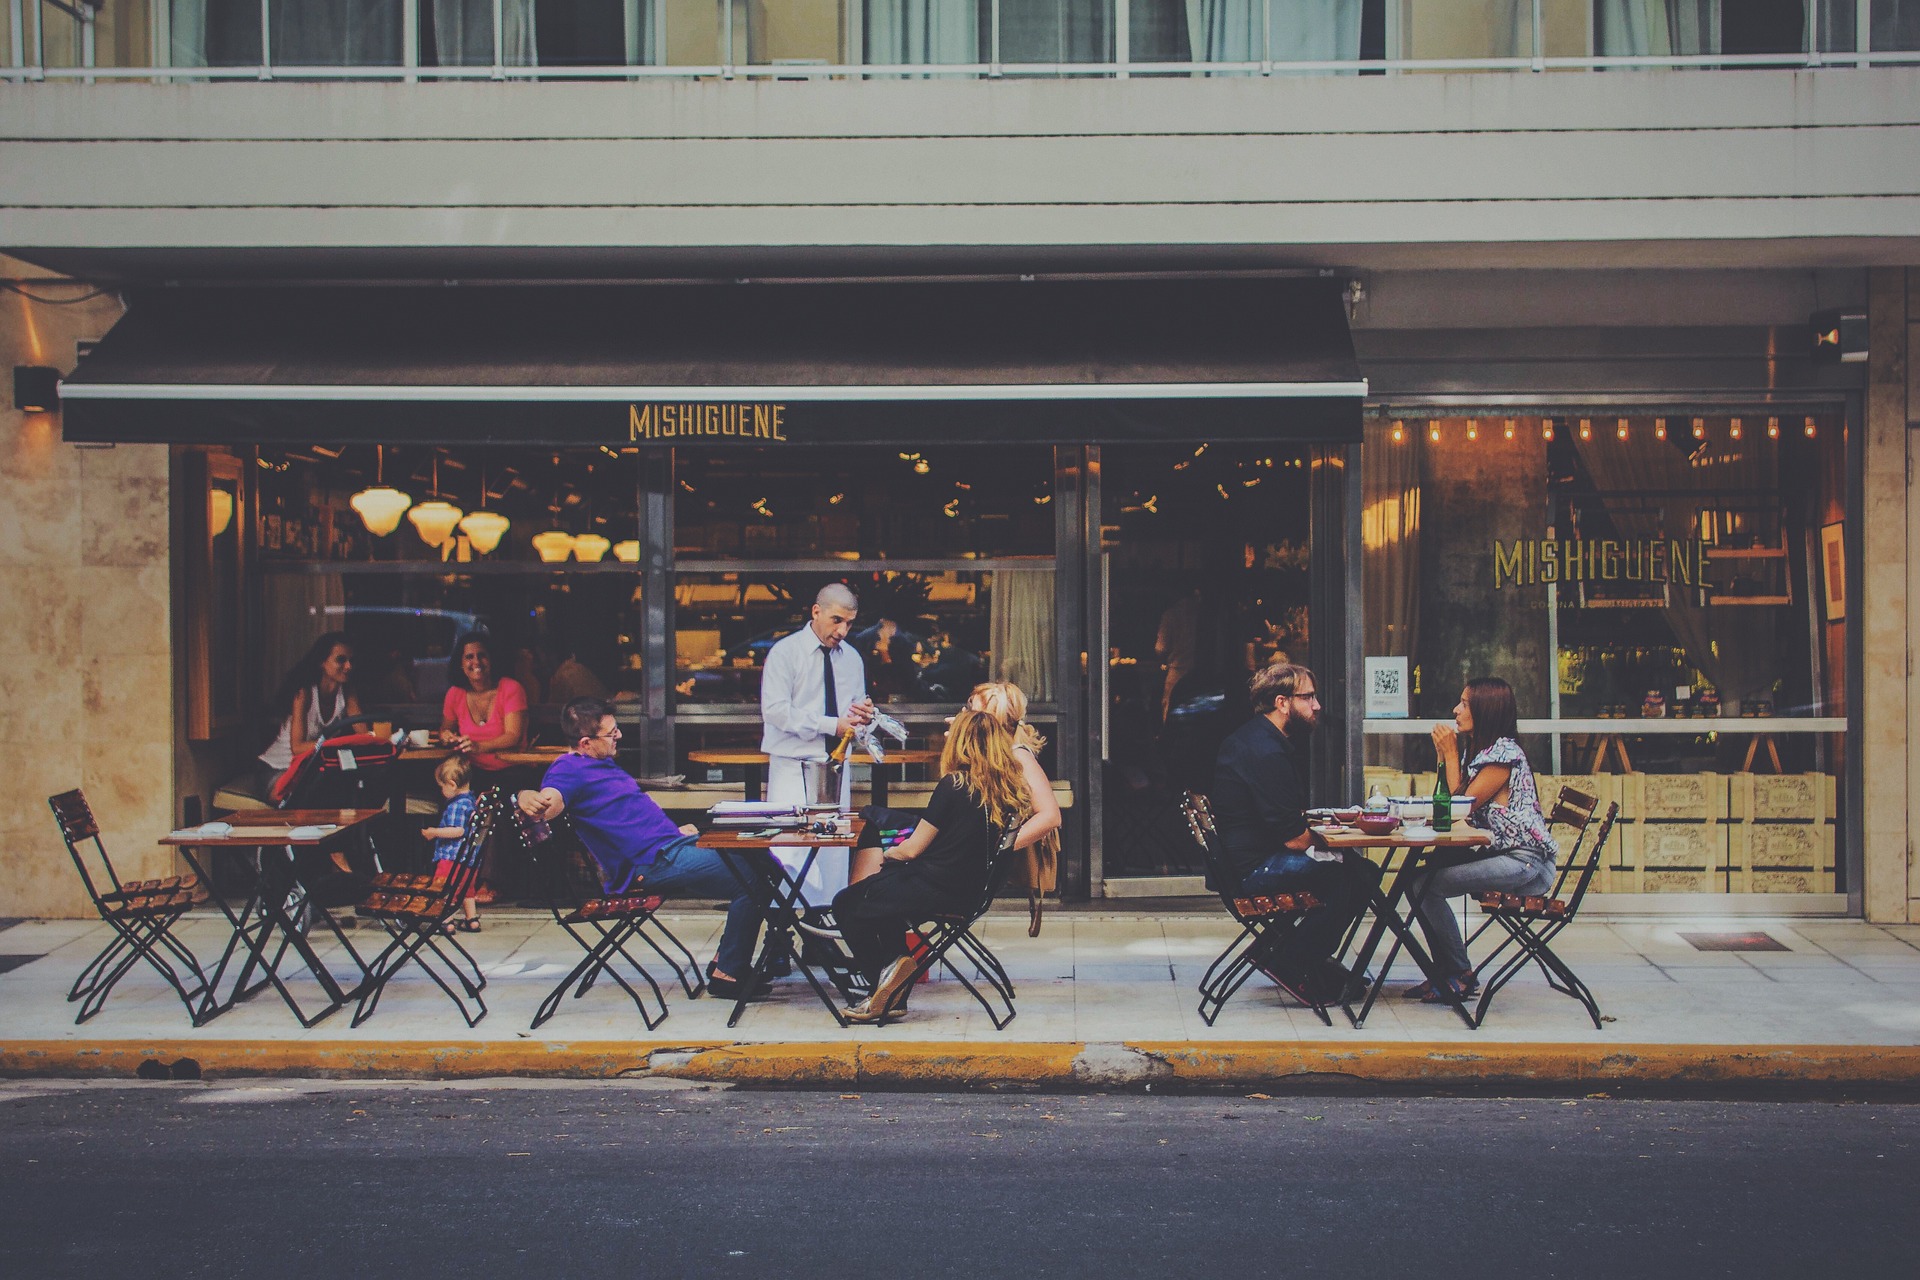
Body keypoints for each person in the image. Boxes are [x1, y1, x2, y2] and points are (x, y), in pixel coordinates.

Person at [519, 697, 770, 999]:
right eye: (611, 734)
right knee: (754, 878)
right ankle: (728, 973)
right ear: (585, 742)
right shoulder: (568, 770)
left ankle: (726, 961)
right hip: (651, 864)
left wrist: (674, 831)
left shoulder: (602, 763)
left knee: (764, 860)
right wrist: (527, 797)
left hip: (671, 845)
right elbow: (550, 801)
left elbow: (629, 815)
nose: (619, 736)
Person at [829, 708, 1060, 1024]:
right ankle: (893, 987)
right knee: (882, 899)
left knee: (847, 902)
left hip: (935, 889)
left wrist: (887, 854)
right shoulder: (1008, 790)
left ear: (962, 743)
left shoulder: (954, 785)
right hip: (970, 892)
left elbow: (913, 849)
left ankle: (883, 981)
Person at [1210, 663, 1381, 1005]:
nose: (1317, 705)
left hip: (1243, 863)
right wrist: (1337, 837)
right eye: (1308, 697)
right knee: (1353, 877)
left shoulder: (1259, 739)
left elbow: (1286, 821)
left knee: (1357, 871)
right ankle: (1293, 961)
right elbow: (1294, 839)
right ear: (1282, 702)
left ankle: (1298, 955)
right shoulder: (1265, 751)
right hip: (1254, 870)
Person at [1406, 676, 1559, 1004]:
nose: (1455, 710)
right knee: (1420, 877)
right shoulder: (1482, 751)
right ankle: (1443, 971)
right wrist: (1448, 756)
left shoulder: (1503, 755)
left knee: (1423, 886)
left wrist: (1449, 752)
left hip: (1525, 862)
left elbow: (1460, 807)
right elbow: (1451, 798)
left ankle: (1457, 972)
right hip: (1506, 853)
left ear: (1485, 711)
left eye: (1464, 704)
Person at [759, 583, 874, 905]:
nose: (843, 631)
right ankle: (781, 938)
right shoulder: (785, 653)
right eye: (837, 620)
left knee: (833, 854)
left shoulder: (851, 658)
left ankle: (821, 932)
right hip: (793, 765)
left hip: (836, 767)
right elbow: (776, 711)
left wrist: (863, 718)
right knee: (789, 851)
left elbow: (854, 715)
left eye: (849, 623)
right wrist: (831, 724)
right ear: (816, 612)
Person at [255, 631, 363, 799]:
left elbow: (363, 735)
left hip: (310, 771)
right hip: (278, 768)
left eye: (351, 661)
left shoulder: (347, 692)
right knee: (299, 801)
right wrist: (339, 744)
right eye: (341, 660)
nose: (349, 666)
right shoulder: (304, 693)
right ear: (322, 662)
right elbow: (298, 747)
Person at [439, 633, 529, 775]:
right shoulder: (455, 693)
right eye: (469, 657)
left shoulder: (511, 688)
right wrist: (447, 737)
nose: (476, 662)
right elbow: (445, 730)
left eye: (482, 655)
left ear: (491, 659)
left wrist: (479, 747)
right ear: (461, 664)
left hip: (512, 770)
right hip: (471, 772)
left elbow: (513, 736)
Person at [422, 755, 481, 933]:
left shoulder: (457, 806)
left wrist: (434, 832)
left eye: (442, 787)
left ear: (452, 784)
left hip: (452, 858)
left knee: (444, 889)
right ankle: (472, 919)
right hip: (469, 860)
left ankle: (446, 921)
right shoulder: (472, 801)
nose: (441, 792)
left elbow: (458, 830)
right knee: (466, 890)